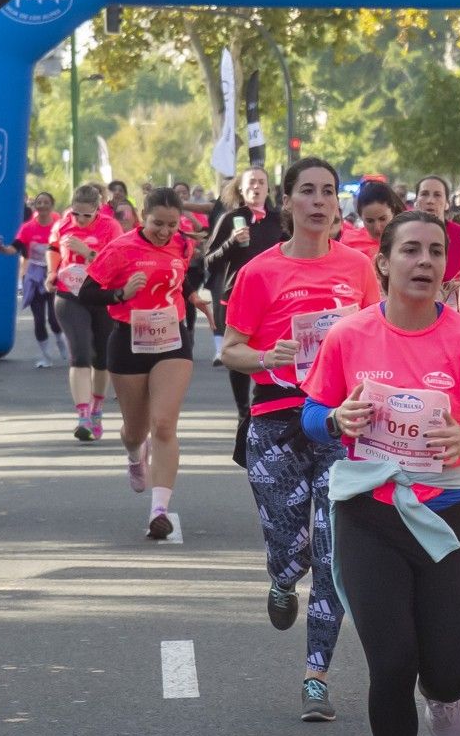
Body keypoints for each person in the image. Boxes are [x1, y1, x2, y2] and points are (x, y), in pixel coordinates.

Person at [300, 209, 460, 736]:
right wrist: (339, 420)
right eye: (411, 251)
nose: (425, 262)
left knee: (448, 670)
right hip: (367, 510)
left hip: (443, 513)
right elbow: (313, 415)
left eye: (435, 251)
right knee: (390, 659)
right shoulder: (349, 336)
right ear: (384, 263)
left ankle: (446, 682)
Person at [221, 158, 382, 722]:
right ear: (287, 202)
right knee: (291, 546)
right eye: (307, 192)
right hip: (274, 421)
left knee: (332, 548)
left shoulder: (358, 268)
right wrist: (268, 357)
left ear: (338, 203)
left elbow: (378, 336)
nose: (319, 201)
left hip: (339, 422)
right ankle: (282, 577)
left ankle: (316, 675)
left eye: (328, 192)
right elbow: (230, 348)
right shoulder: (260, 272)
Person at [75, 188, 204, 541]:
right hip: (129, 340)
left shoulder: (182, 244)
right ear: (141, 217)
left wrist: (197, 300)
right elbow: (86, 292)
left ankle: (159, 510)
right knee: (135, 430)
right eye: (157, 223)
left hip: (172, 339)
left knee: (163, 424)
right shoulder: (120, 249)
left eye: (172, 224)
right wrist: (121, 294)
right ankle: (135, 454)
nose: (164, 231)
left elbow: (181, 279)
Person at [206, 166, 284, 464]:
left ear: (268, 189)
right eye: (251, 183)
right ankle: (243, 415)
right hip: (236, 298)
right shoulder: (229, 219)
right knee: (238, 362)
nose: (256, 187)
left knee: (272, 360)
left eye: (262, 182)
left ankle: (267, 416)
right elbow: (209, 260)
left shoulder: (280, 221)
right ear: (241, 188)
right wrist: (231, 244)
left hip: (275, 302)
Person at [48, 184, 122, 442]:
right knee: (79, 355)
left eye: (85, 215)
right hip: (69, 295)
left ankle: (97, 408)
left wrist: (87, 252)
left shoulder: (111, 227)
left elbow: (116, 262)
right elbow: (54, 249)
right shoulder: (63, 224)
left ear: (98, 209)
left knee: (100, 357)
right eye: (75, 213)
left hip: (100, 295)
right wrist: (51, 272)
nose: (79, 219)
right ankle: (82, 417)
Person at [0, 191, 68, 369]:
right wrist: (2, 249)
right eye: (39, 202)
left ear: (52, 205)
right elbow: (14, 248)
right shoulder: (28, 228)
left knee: (55, 319)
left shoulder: (58, 226)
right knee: (39, 319)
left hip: (53, 274)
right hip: (33, 275)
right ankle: (45, 356)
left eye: (46, 202)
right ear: (35, 206)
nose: (42, 205)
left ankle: (61, 342)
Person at [413, 175, 460, 304]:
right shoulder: (403, 235)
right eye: (424, 194)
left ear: (447, 203)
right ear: (415, 202)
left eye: (437, 195)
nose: (430, 200)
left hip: (455, 307)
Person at [341, 180, 402, 261]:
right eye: (370, 221)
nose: (377, 227)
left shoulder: (408, 239)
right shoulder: (348, 243)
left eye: (382, 219)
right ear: (360, 216)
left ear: (393, 210)